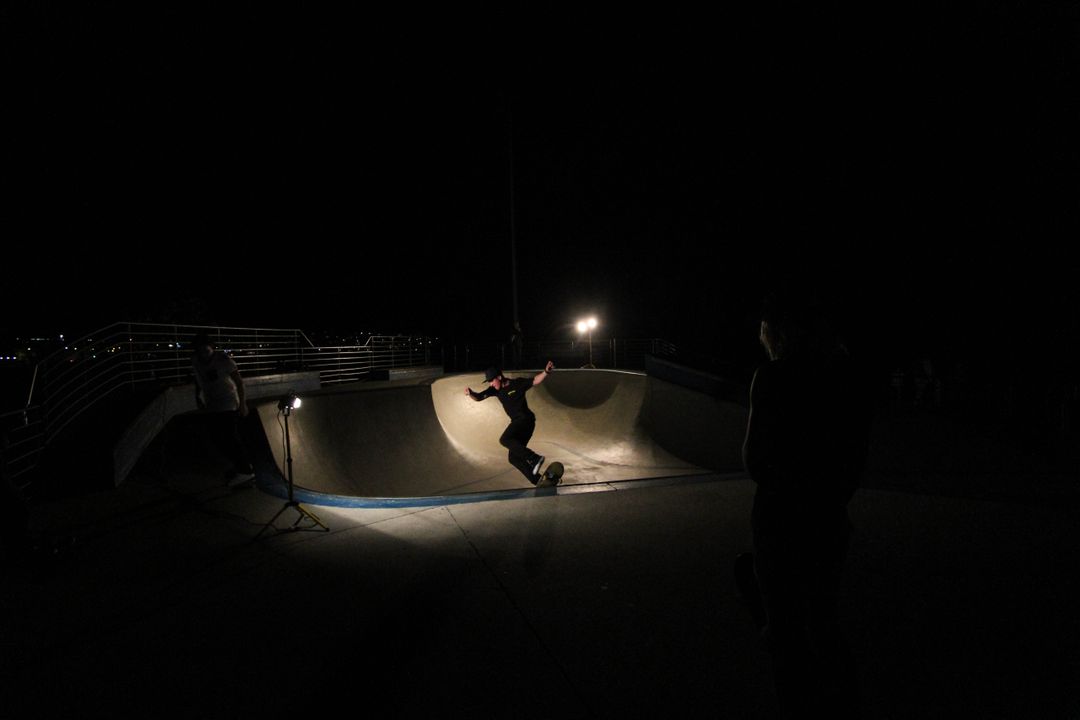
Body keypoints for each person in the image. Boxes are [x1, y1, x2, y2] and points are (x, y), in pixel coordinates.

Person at [738, 292, 870, 719]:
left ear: (777, 335)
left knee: (785, 631)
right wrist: (830, 497)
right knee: (824, 620)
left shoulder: (772, 377)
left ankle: (797, 705)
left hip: (780, 517)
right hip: (829, 517)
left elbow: (754, 459)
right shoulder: (845, 378)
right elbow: (855, 459)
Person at [465, 361, 555, 485]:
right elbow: (479, 397)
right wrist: (471, 394)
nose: (491, 384)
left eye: (492, 380)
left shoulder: (517, 383)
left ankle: (535, 458)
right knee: (513, 458)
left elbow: (534, 381)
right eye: (489, 382)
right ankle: (538, 480)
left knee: (504, 439)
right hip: (518, 424)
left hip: (526, 420)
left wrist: (546, 372)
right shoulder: (494, 390)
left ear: (499, 377)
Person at [191, 333, 254, 487]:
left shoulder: (223, 360)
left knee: (230, 437)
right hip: (212, 403)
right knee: (216, 438)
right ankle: (240, 465)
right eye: (201, 351)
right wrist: (198, 397)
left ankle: (246, 471)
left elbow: (239, 382)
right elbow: (198, 379)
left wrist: (243, 404)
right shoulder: (195, 360)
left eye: (207, 351)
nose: (204, 355)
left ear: (212, 349)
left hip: (228, 402)